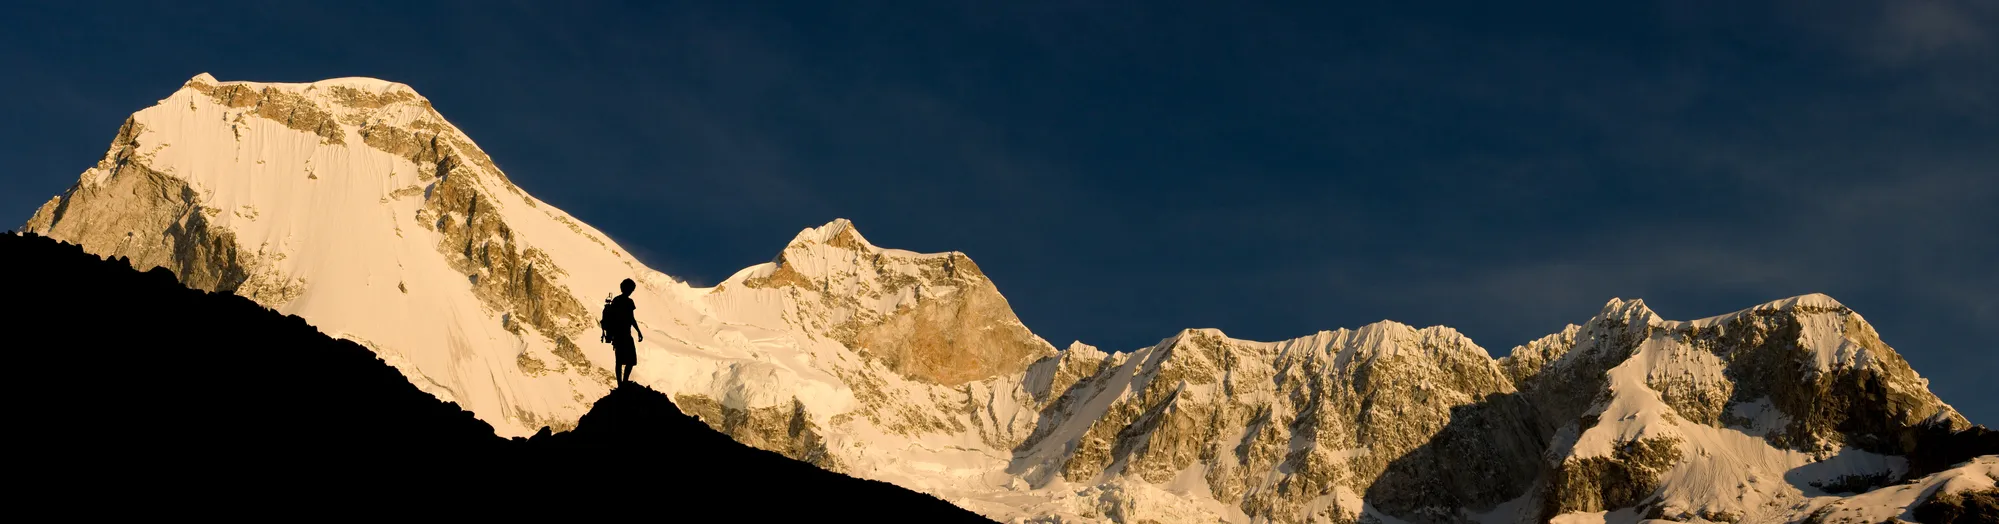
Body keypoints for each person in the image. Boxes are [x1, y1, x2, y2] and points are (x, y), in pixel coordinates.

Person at [600, 278, 642, 385]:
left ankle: (621, 384)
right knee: (629, 360)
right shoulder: (628, 302)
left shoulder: (617, 300)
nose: (631, 291)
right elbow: (631, 318)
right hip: (623, 334)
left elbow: (630, 318)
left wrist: (638, 331)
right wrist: (638, 331)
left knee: (621, 360)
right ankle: (623, 382)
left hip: (618, 335)